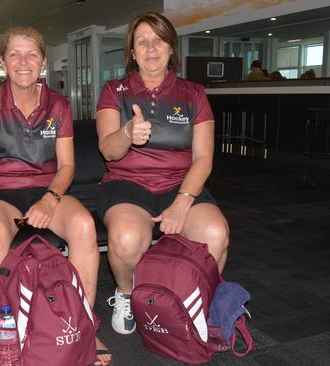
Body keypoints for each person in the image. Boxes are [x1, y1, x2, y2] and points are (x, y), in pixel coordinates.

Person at [0, 26, 111, 366]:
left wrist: (49, 199)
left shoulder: (58, 104)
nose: (23, 62)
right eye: (15, 54)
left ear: (43, 62)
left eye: (31, 54)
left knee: (83, 225)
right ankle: (0, 337)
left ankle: (82, 325)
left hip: (48, 189)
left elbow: (67, 167)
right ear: (2, 61)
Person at [95, 12, 229, 336]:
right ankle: (126, 294)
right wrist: (127, 132)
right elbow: (108, 151)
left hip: (179, 185)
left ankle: (199, 301)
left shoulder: (194, 94)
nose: (151, 48)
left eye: (158, 40)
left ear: (171, 48)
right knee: (127, 239)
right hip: (127, 185)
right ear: (132, 51)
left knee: (216, 233)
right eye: (142, 41)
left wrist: (182, 203)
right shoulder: (115, 90)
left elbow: (203, 158)